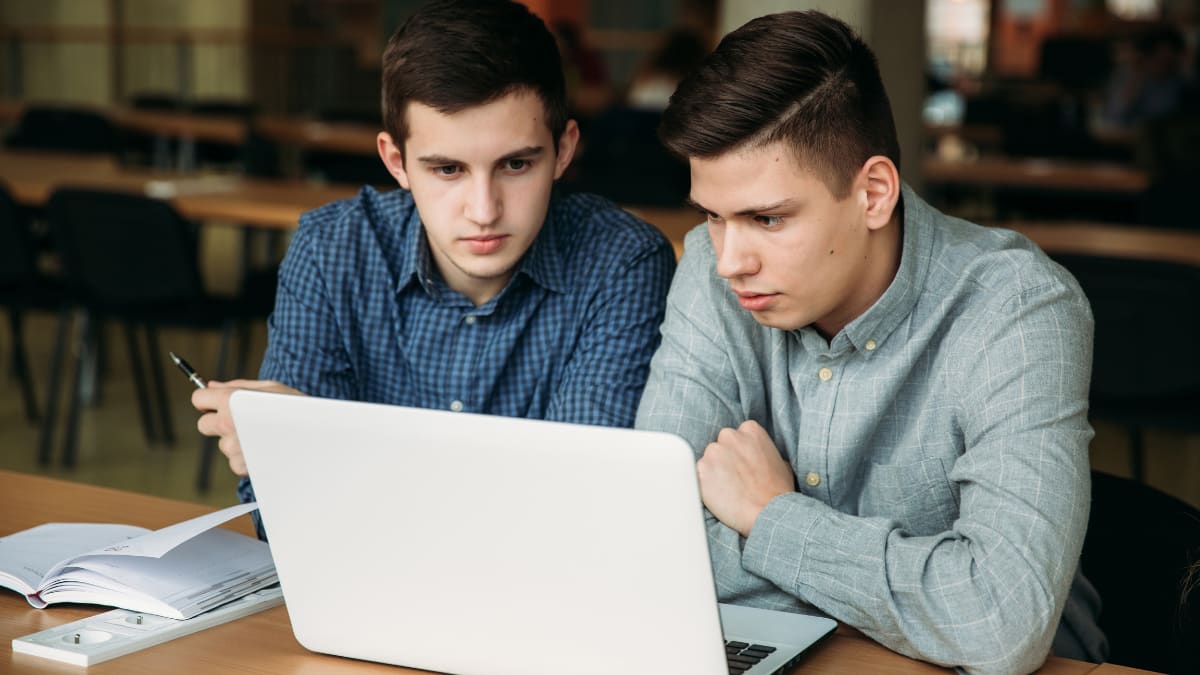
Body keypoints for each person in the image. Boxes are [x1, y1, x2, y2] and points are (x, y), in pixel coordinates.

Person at [634, 10, 1105, 673]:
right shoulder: (709, 276)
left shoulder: (1018, 308)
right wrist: (921, 592)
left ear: (874, 193)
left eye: (766, 218)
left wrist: (770, 517)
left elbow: (1000, 621)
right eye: (713, 215)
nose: (729, 259)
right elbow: (651, 547)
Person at [193, 0, 675, 538]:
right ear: (395, 161)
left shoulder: (623, 262)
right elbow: (283, 519)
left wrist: (333, 457)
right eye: (448, 169)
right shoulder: (332, 250)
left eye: (516, 164)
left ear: (563, 151)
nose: (484, 209)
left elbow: (579, 511)